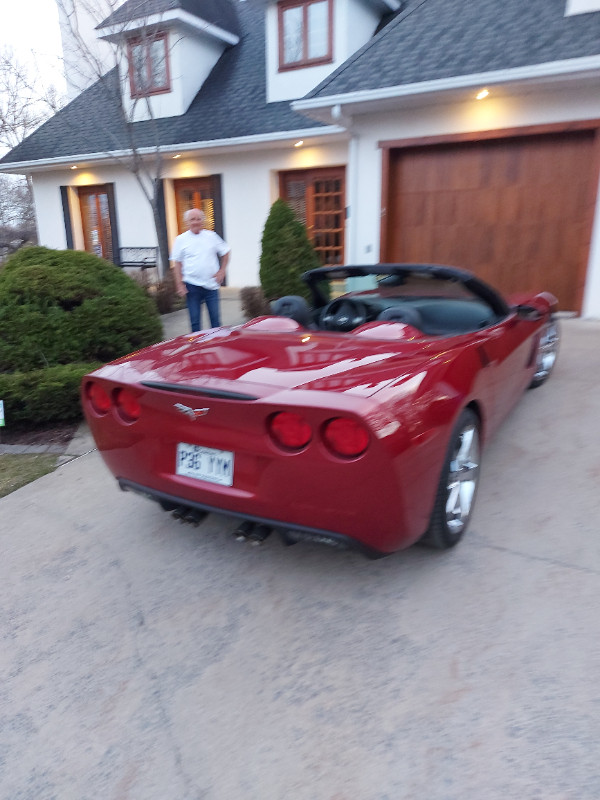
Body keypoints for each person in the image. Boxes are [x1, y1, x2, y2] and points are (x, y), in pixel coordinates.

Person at [170, 208, 231, 331]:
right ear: (187, 222)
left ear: (202, 221)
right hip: (192, 287)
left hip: (211, 286)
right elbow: (177, 263)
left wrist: (222, 270)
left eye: (198, 219)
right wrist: (179, 284)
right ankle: (197, 350)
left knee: (216, 322)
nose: (196, 222)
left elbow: (226, 252)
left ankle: (215, 348)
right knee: (195, 323)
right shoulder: (181, 240)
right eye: (192, 219)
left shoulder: (211, 236)